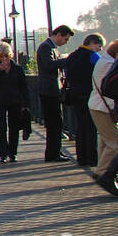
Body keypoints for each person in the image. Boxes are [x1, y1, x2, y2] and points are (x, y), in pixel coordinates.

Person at [64, 33, 104, 168]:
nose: (100, 49)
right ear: (92, 43)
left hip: (75, 94)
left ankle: (81, 158)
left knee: (80, 126)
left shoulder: (72, 56)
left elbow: (67, 74)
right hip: (89, 94)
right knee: (91, 126)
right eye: (99, 46)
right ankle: (92, 159)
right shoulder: (92, 56)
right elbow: (101, 72)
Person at [35, 25, 74, 162]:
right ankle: (53, 153)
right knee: (54, 123)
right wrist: (67, 60)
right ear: (58, 35)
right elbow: (49, 65)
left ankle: (55, 151)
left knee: (56, 123)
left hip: (50, 90)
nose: (65, 42)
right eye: (65, 39)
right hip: (49, 90)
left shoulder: (50, 47)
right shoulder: (46, 47)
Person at [0, 42, 29, 164]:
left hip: (15, 101)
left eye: (6, 56)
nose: (3, 59)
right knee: (1, 127)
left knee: (14, 127)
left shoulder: (18, 69)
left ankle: (13, 153)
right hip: (0, 101)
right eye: (1, 56)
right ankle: (3, 154)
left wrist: (27, 104)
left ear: (10, 55)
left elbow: (24, 87)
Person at [88, 40, 118, 195]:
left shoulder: (104, 61)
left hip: (97, 105)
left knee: (105, 141)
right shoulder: (109, 64)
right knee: (114, 144)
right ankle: (102, 173)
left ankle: (101, 170)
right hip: (102, 107)